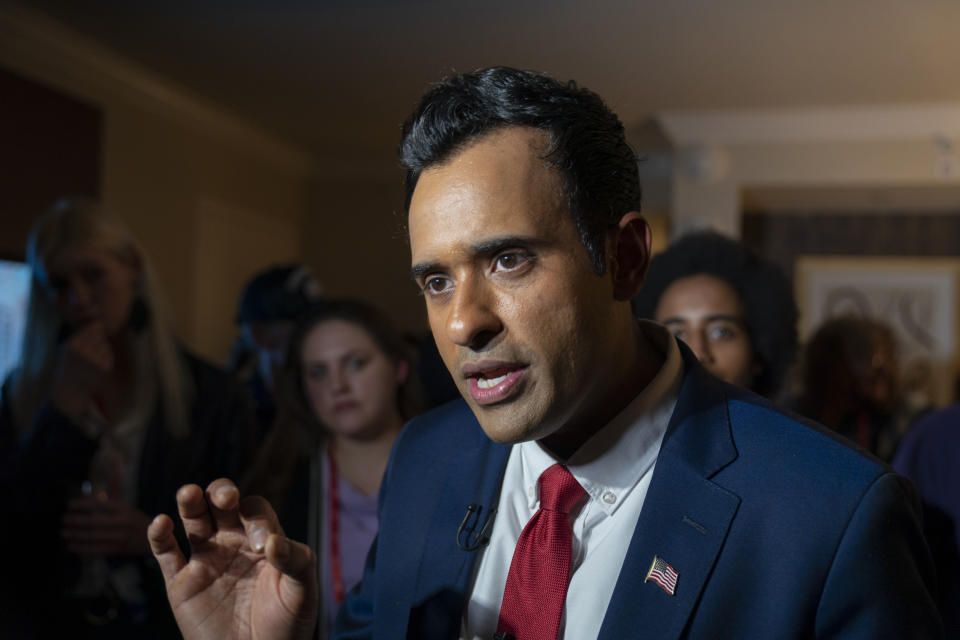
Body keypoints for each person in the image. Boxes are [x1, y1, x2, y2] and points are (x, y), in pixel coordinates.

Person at [147, 68, 941, 639]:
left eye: (509, 260)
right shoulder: (426, 458)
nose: (463, 323)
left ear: (625, 258)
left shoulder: (830, 518)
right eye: (434, 279)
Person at [0, 198, 258, 638]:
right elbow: (14, 531)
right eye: (59, 285)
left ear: (132, 268)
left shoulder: (209, 394)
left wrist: (154, 536)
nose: (78, 298)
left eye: (94, 275)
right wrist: (61, 412)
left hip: (167, 621)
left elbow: (246, 522)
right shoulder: (24, 390)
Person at [243, 299, 420, 637]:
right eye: (319, 372)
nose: (337, 386)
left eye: (355, 363)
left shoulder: (454, 466)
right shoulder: (279, 488)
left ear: (399, 367)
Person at [632, 230, 797, 399]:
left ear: (758, 352)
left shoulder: (789, 426)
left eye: (720, 332)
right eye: (676, 334)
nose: (698, 353)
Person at [793, 315, 906, 460]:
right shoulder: (793, 418)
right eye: (863, 356)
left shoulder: (894, 422)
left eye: (885, 357)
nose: (878, 367)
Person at [229, 264, 324, 433]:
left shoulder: (324, 398)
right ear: (260, 334)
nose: (315, 336)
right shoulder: (236, 412)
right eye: (301, 326)